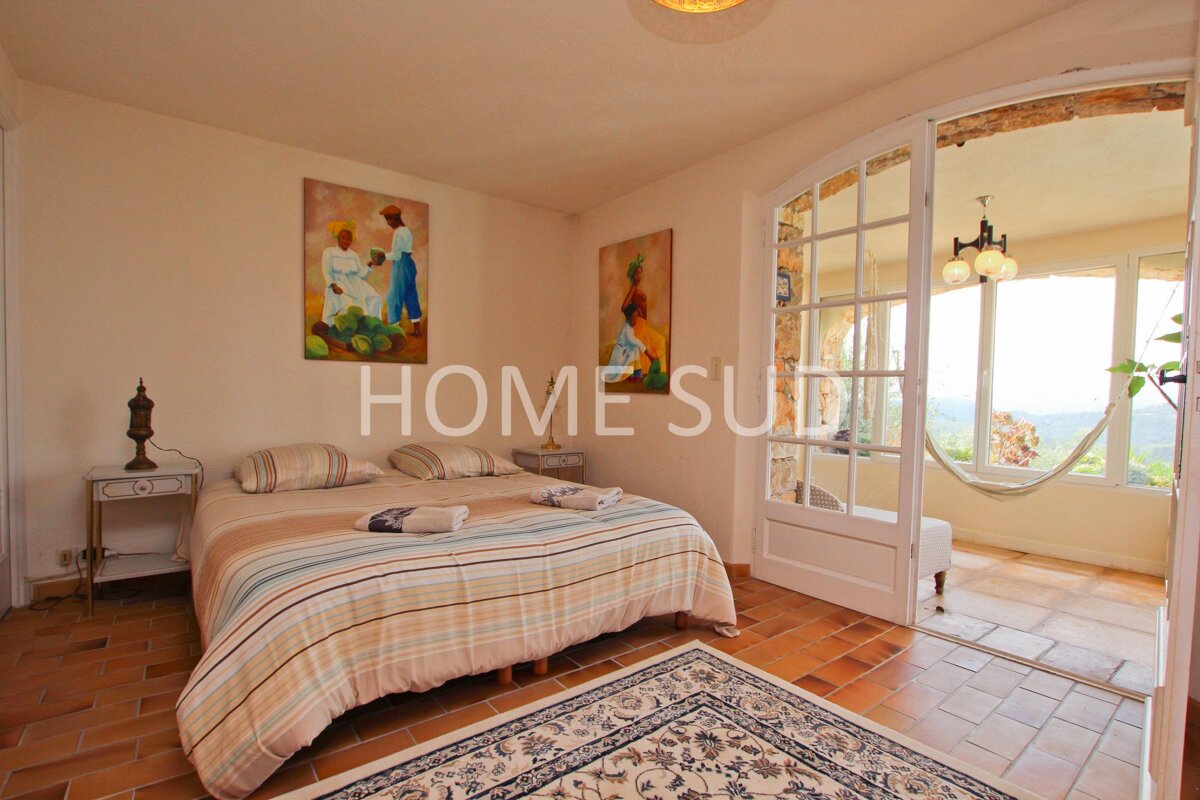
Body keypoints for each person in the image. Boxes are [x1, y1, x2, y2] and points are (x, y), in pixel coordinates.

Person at [373, 204, 423, 336]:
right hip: (410, 265)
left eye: (388, 220)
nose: (388, 223)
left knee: (393, 296)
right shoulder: (406, 231)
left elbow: (396, 255)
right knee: (410, 295)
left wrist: (382, 255)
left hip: (401, 265)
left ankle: (394, 331)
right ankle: (417, 329)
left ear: (393, 219)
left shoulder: (398, 233)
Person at [321, 220, 381, 326]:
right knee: (350, 307)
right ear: (338, 238)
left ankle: (372, 326)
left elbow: (359, 275)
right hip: (338, 285)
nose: (346, 241)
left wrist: (370, 264)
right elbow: (327, 271)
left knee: (374, 297)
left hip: (355, 285)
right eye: (344, 238)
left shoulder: (354, 255)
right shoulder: (329, 252)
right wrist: (333, 285)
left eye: (349, 239)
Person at [619, 253, 666, 377]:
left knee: (659, 340)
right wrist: (635, 311)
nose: (639, 276)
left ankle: (660, 372)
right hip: (638, 323)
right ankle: (648, 374)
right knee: (643, 348)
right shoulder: (633, 288)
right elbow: (624, 307)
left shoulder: (637, 288)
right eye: (637, 273)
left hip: (643, 323)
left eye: (640, 273)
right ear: (632, 275)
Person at [603, 302, 648, 383]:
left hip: (625, 353)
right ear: (628, 317)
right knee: (634, 349)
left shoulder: (629, 327)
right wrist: (649, 355)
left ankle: (635, 373)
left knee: (634, 350)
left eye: (636, 318)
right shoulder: (627, 329)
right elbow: (637, 342)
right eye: (633, 319)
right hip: (620, 356)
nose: (635, 321)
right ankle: (634, 374)